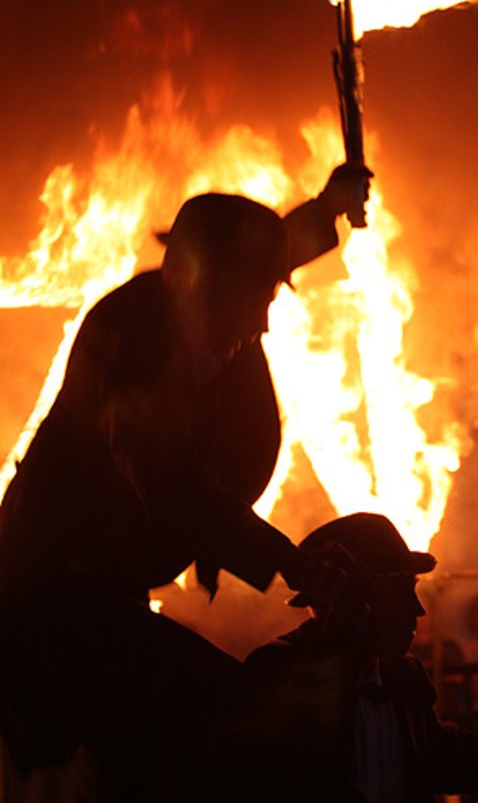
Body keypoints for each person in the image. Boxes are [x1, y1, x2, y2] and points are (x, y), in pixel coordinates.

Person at [0, 165, 371, 800]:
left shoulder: (192, 309)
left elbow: (254, 253)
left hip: (96, 599)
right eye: (260, 298)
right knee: (233, 724)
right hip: (48, 603)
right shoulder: (137, 338)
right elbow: (171, 483)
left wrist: (327, 208)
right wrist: (290, 560)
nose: (264, 323)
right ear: (207, 283)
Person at [246, 513, 478, 803]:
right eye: (403, 592)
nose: (418, 610)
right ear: (356, 599)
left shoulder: (404, 676)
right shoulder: (278, 670)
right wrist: (348, 634)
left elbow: (446, 759)